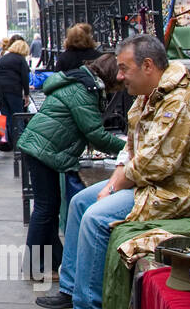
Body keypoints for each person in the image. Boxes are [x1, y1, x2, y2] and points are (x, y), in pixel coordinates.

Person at [38, 35, 190, 309]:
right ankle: (72, 289)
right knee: (81, 201)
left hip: (175, 195)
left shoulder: (180, 102)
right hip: (151, 185)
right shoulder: (148, 96)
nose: (119, 76)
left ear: (148, 66)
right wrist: (112, 184)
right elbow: (131, 150)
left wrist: (113, 186)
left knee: (96, 217)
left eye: (124, 68)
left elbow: (154, 165)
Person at [16, 53, 126, 281]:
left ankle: (55, 263)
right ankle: (35, 266)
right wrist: (128, 149)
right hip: (43, 150)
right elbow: (95, 134)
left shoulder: (82, 83)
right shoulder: (84, 90)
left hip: (42, 148)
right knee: (46, 209)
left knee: (49, 209)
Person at [0, 38, 32, 145]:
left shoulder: (4, 58)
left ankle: (10, 141)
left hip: (1, 91)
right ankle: (19, 143)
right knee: (18, 116)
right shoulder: (20, 59)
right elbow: (25, 78)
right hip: (14, 91)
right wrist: (27, 94)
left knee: (7, 117)